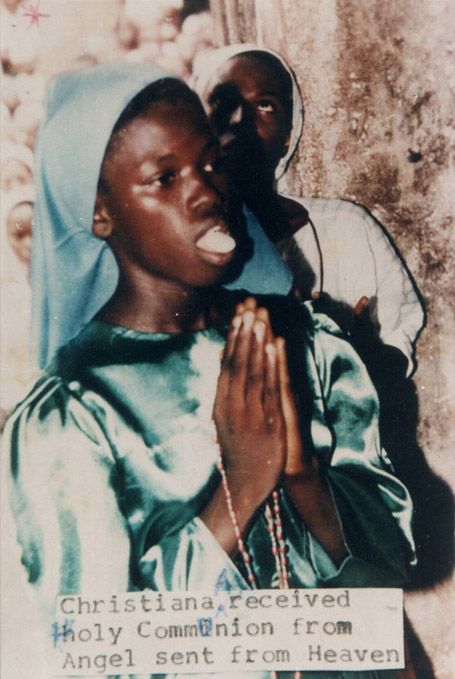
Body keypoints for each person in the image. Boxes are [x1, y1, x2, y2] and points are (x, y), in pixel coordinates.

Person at [2, 62, 415, 679]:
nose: (205, 191)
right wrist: (240, 489)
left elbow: (396, 561)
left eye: (209, 163)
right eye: (163, 178)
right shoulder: (74, 412)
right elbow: (92, 656)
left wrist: (301, 475)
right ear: (100, 214)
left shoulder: (303, 338)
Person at [191, 44, 425, 379]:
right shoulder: (185, 245)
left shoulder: (345, 227)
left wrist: (354, 357)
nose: (241, 120)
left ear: (289, 134)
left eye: (265, 105)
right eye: (225, 104)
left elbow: (397, 339)